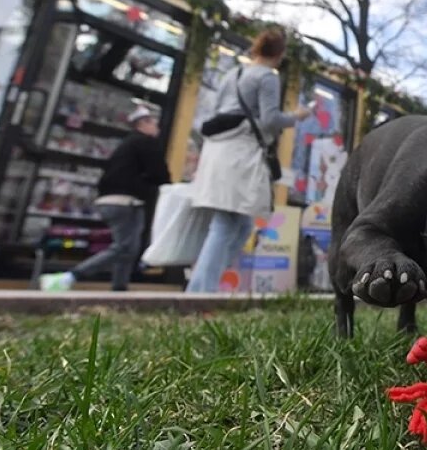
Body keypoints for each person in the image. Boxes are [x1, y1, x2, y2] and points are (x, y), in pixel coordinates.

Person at [187, 27, 311, 293]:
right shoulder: (268, 77)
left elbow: (218, 112)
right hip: (241, 154)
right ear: (279, 54)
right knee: (224, 224)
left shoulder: (233, 74)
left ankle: (205, 284)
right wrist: (296, 116)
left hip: (217, 150)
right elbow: (269, 119)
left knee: (240, 224)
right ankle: (199, 293)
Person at [39, 106, 172, 291]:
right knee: (124, 247)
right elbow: (161, 174)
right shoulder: (145, 143)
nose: (157, 128)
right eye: (154, 123)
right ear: (142, 124)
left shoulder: (125, 145)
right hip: (127, 202)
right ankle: (70, 276)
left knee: (127, 249)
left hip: (107, 201)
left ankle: (119, 288)